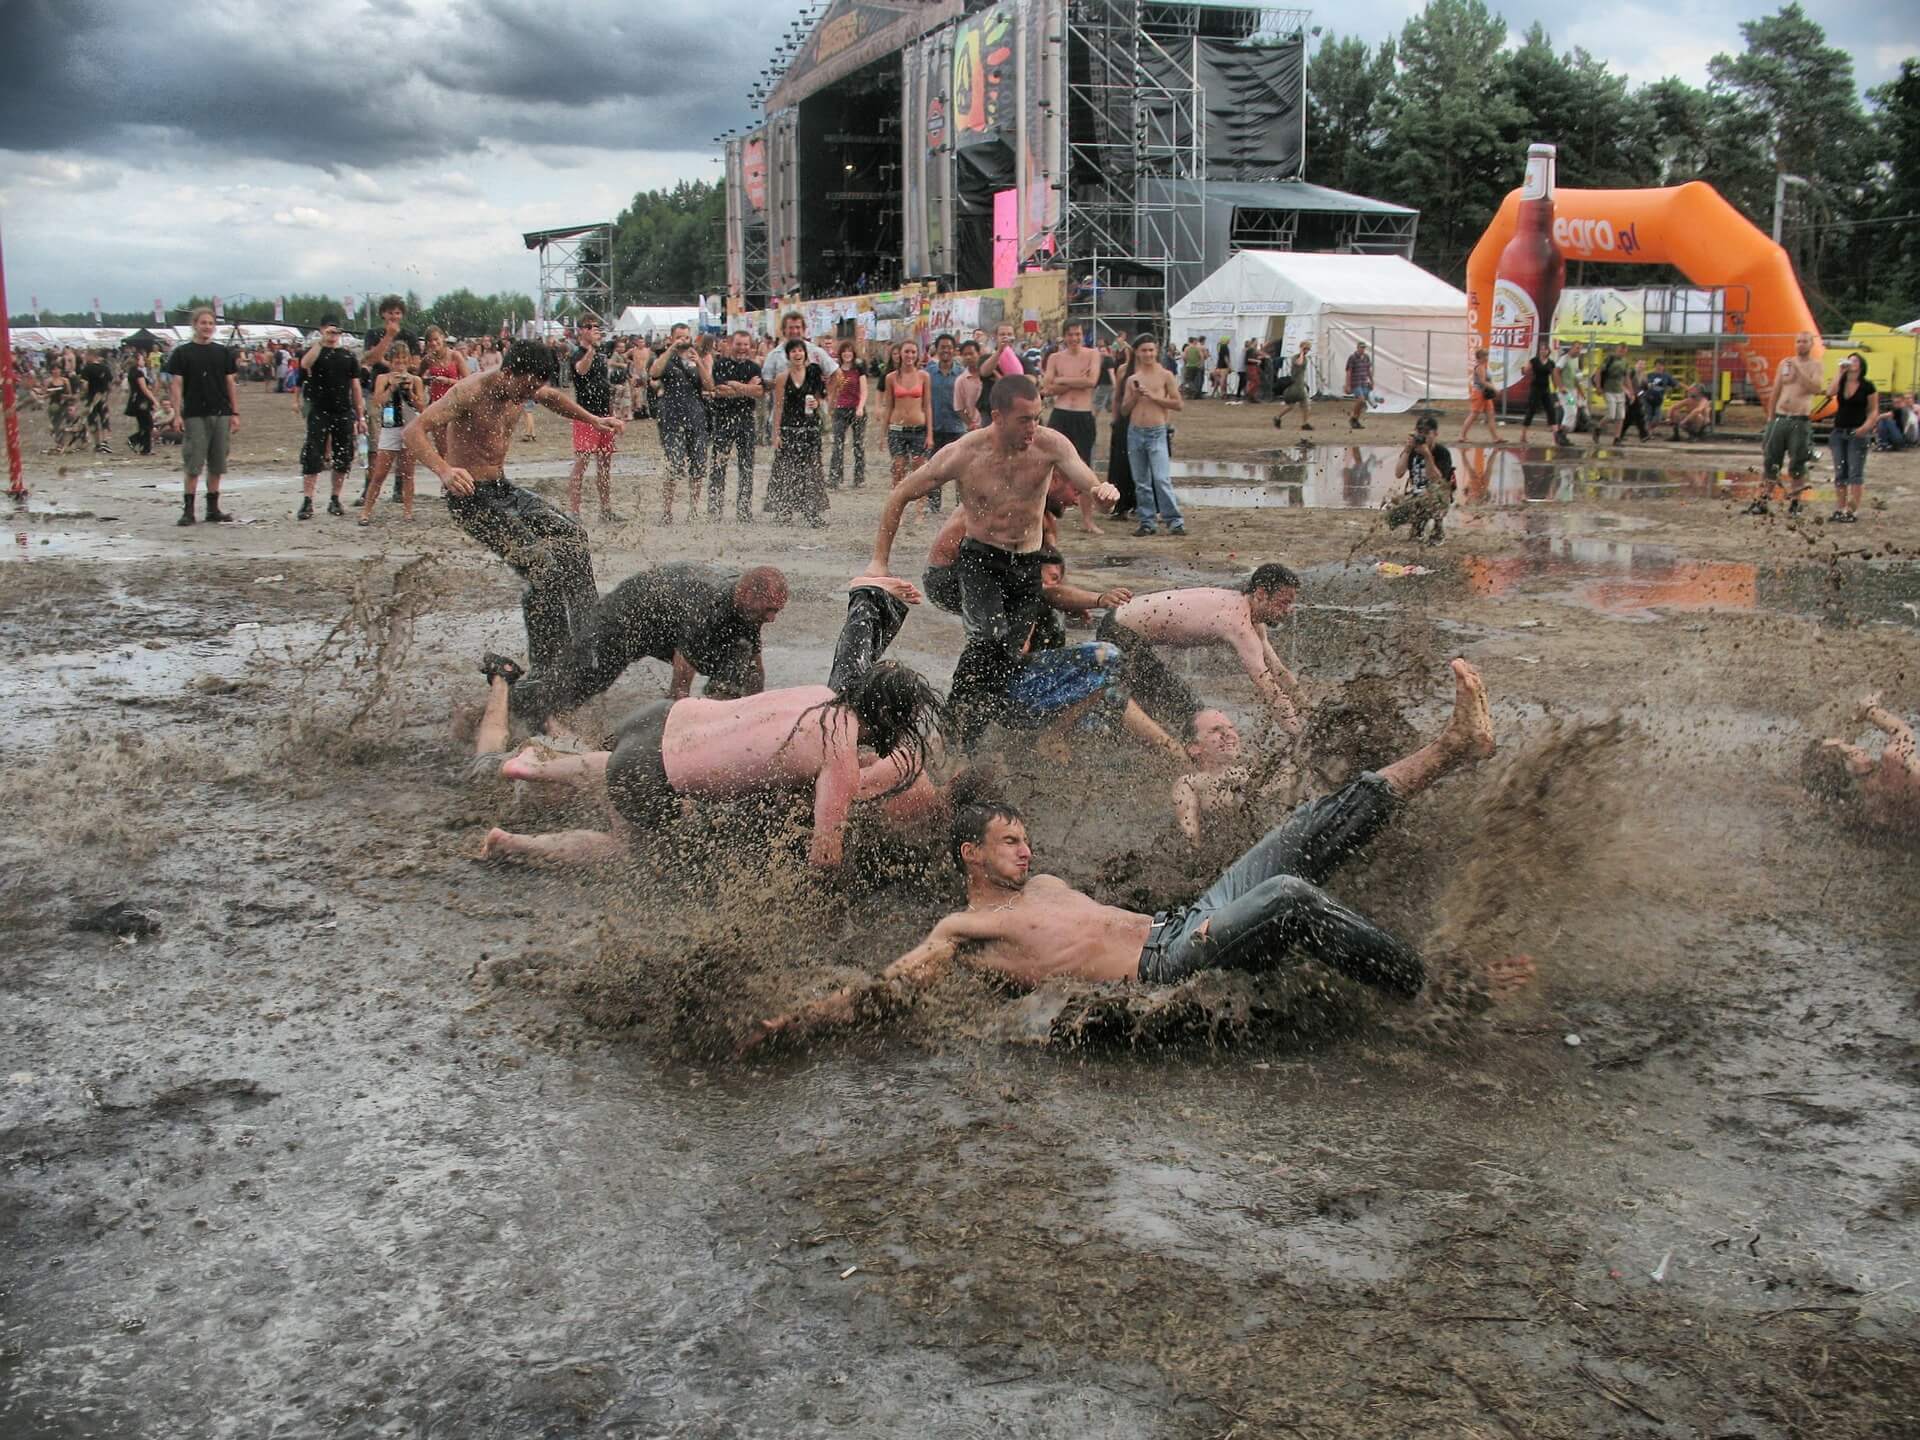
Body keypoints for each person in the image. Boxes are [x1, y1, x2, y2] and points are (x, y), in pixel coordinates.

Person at [744, 661, 1523, 1050]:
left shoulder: (1043, 882)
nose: (1026, 848)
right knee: (1288, 895)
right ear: (969, 855)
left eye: (1025, 836)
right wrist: (793, 1024)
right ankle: (1439, 986)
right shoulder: (961, 930)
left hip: (1190, 919)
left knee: (1308, 825)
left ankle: (1456, 748)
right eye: (1009, 841)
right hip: (1169, 965)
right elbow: (887, 990)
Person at [482, 635, 947, 872]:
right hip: (649, 772)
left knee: (641, 762)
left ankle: (531, 768)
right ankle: (514, 844)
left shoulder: (818, 693)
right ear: (890, 720)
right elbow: (824, 857)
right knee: (628, 851)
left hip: (658, 719)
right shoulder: (840, 754)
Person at [865, 372, 1120, 746]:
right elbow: (899, 495)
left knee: (1009, 659)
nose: (1033, 427)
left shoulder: (1050, 445)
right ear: (997, 416)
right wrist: (879, 563)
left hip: (1026, 565)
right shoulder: (965, 453)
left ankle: (986, 729)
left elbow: (1087, 480)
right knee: (986, 642)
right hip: (981, 560)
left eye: (1037, 416)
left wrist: (1103, 491)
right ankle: (954, 733)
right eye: (1024, 420)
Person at [404, 340, 620, 680]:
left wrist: (593, 419)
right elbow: (413, 431)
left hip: (504, 489)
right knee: (542, 566)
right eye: (528, 386)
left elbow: (552, 398)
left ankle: (586, 644)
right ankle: (550, 671)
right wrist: (444, 471)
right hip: (471, 498)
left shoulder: (523, 388)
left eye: (535, 386)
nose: (530, 394)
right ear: (509, 372)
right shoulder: (469, 392)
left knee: (574, 536)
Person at [508, 564, 787, 727]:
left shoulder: (748, 609)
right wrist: (680, 730)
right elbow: (679, 687)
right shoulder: (709, 606)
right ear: (748, 593)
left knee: (736, 663)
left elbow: (754, 667)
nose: (772, 619)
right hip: (624, 618)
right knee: (586, 678)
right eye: (769, 610)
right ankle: (517, 705)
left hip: (666, 623)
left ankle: (723, 721)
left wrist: (757, 714)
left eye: (777, 611)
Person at [1097, 565, 1306, 736]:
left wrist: (1309, 711)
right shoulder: (1238, 623)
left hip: (1128, 631)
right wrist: (1298, 735)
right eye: (1284, 603)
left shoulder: (1250, 616)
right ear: (1261, 593)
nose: (1289, 610)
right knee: (1180, 708)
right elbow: (1268, 686)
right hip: (1119, 633)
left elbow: (1279, 671)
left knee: (1177, 704)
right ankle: (1106, 734)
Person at [163, 307, 239, 526]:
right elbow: (176, 385)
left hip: (221, 412)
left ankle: (213, 508)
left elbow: (230, 383)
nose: (207, 327)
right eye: (203, 323)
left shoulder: (223, 353)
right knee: (194, 463)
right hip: (195, 413)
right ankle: (188, 510)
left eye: (211, 323)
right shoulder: (182, 353)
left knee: (217, 463)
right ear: (195, 325)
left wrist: (235, 411)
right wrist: (177, 414)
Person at [1808, 693, 1920, 833]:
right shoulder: (1894, 761)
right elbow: (1901, 730)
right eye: (1848, 746)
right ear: (1853, 757)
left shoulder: (1861, 810)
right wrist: (1869, 709)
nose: (1858, 747)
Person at [297, 317, 365, 520]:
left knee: (343, 456)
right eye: (330, 331)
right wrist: (320, 341)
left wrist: (359, 416)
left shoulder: (348, 356)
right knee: (312, 454)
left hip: (342, 411)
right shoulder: (315, 352)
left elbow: (355, 387)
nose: (333, 335)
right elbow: (305, 364)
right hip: (319, 411)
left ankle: (335, 498)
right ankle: (308, 500)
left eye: (336, 331)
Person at [1749, 332, 1824, 517]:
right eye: (1798, 341)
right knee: (1770, 461)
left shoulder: (1816, 365)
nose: (1800, 345)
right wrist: (1771, 416)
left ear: (1811, 344)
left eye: (1804, 341)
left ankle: (1796, 502)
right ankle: (1763, 500)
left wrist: (1799, 371)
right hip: (1781, 418)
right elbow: (1776, 390)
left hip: (1800, 419)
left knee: (1797, 463)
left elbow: (1816, 388)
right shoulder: (1785, 363)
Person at [1119, 336, 1185, 537]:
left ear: (1156, 351)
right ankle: (1147, 521)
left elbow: (1178, 404)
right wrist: (1135, 396)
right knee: (1141, 481)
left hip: (1157, 431)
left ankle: (1174, 520)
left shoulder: (1166, 375)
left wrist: (1154, 396)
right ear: (1137, 352)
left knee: (1161, 478)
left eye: (1151, 350)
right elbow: (1124, 410)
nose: (1148, 354)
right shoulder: (1132, 379)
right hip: (1135, 432)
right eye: (1144, 350)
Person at [650, 323, 711, 526]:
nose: (683, 341)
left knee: (698, 465)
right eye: (679, 337)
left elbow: (710, 385)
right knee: (673, 465)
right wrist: (670, 349)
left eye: (686, 337)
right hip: (671, 417)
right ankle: (667, 510)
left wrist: (700, 363)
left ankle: (693, 510)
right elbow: (654, 372)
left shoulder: (696, 358)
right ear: (671, 338)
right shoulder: (667, 358)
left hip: (696, 417)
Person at [358, 343, 425, 524]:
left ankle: (408, 511)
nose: (401, 364)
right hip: (390, 426)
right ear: (390, 362)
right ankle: (366, 511)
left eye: (404, 360)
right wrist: (392, 387)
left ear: (409, 361)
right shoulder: (382, 378)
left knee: (408, 472)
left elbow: (422, 407)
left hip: (410, 427)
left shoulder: (415, 380)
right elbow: (377, 402)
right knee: (379, 473)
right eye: (397, 361)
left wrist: (410, 391)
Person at [563, 316, 620, 524]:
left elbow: (603, 383)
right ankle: (574, 511)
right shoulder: (578, 353)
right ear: (581, 331)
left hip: (604, 414)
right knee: (582, 462)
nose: (595, 330)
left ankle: (606, 509)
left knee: (605, 465)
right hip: (586, 415)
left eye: (597, 327)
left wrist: (612, 415)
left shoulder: (601, 354)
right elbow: (581, 370)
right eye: (590, 327)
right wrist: (591, 349)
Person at [769, 338, 830, 527]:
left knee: (812, 471)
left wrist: (818, 403)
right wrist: (776, 434)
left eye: (800, 351)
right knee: (786, 470)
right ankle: (784, 511)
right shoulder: (782, 378)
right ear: (788, 356)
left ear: (805, 353)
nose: (797, 354)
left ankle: (812, 512)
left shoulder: (813, 372)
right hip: (789, 429)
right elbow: (778, 407)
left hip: (810, 428)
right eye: (793, 351)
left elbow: (821, 396)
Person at [708, 330, 765, 520]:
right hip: (723, 419)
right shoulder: (720, 364)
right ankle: (715, 510)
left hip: (746, 420)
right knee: (718, 464)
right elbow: (719, 391)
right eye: (739, 344)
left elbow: (759, 392)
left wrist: (735, 386)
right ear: (731, 344)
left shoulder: (754, 367)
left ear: (750, 346)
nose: (742, 348)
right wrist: (746, 388)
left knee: (746, 466)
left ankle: (744, 510)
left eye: (745, 345)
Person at [882, 339, 935, 519]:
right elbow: (888, 406)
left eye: (913, 352)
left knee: (920, 469)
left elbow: (927, 405)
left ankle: (920, 510)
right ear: (899, 354)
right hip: (896, 428)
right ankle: (898, 509)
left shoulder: (924, 376)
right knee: (898, 468)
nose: (910, 355)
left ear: (917, 354)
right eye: (906, 352)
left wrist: (930, 434)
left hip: (918, 428)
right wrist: (882, 434)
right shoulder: (891, 378)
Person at [1825, 353, 1878, 524]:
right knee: (1840, 472)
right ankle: (1840, 509)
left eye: (1855, 360)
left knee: (1855, 473)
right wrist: (1839, 373)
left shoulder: (1867, 386)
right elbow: (1829, 393)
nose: (1851, 362)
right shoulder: (1841, 382)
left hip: (1857, 431)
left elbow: (1873, 410)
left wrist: (1866, 426)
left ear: (1861, 365)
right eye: (1850, 359)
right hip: (1839, 431)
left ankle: (1852, 510)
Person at [1386, 413, 1455, 544]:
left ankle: (1437, 528)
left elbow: (1437, 480)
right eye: (1419, 432)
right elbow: (1399, 473)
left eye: (1426, 433)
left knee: (1430, 498)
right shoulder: (1412, 450)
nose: (1422, 436)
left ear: (1435, 434)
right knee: (1390, 512)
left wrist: (1427, 456)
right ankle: (1418, 525)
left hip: (1438, 497)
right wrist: (1406, 451)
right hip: (1416, 495)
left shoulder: (1442, 452)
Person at [826, 338, 868, 492]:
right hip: (840, 409)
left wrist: (860, 407)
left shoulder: (859, 368)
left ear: (853, 353)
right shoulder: (836, 369)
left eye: (849, 351)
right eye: (844, 351)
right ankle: (835, 477)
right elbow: (832, 390)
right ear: (841, 353)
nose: (847, 354)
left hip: (856, 410)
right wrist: (830, 407)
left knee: (858, 444)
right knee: (837, 444)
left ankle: (859, 477)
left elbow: (864, 390)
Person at [1106, 339, 1135, 517]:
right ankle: (1121, 504)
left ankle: (1139, 503)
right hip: (1124, 420)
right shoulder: (1123, 370)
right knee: (1121, 463)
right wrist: (1115, 418)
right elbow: (1117, 397)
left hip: (1142, 420)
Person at [1517, 338, 1558, 447]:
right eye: (1541, 349)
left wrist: (1556, 390)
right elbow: (1524, 372)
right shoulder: (1534, 361)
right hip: (1535, 389)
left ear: (1548, 351)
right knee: (1531, 411)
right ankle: (1523, 435)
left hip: (1545, 389)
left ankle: (1556, 437)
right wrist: (1525, 362)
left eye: (1545, 349)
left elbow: (1554, 377)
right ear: (1539, 351)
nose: (1543, 351)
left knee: (1551, 411)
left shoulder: (1551, 363)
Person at [1459, 346, 1503, 445]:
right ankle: (1462, 435)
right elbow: (1483, 382)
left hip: (1485, 394)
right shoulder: (1480, 367)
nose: (1486, 357)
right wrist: (1494, 389)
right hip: (1479, 393)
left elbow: (1488, 380)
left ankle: (1495, 437)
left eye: (1487, 355)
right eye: (1484, 356)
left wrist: (1492, 387)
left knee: (1490, 414)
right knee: (1474, 415)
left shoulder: (1484, 367)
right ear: (1480, 357)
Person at [1273, 339, 1314, 431]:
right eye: (1306, 348)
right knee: (1296, 405)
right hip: (1295, 387)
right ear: (1301, 348)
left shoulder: (1304, 359)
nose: (1307, 351)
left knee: (1303, 405)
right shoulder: (1295, 357)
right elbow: (1299, 363)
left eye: (1308, 349)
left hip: (1299, 385)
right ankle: (1304, 423)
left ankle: (1304, 423)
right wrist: (1301, 353)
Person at [78, 349, 114, 454]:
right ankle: (105, 442)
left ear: (91, 356)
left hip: (91, 398)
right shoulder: (106, 368)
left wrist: (83, 394)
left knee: (93, 421)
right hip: (102, 398)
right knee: (104, 421)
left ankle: (97, 444)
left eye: (86, 355)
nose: (84, 358)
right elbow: (110, 384)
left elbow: (85, 385)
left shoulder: (87, 369)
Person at [124, 355, 160, 455]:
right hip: (141, 401)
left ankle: (145, 448)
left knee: (143, 424)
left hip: (135, 400)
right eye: (142, 359)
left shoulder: (131, 372)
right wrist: (154, 400)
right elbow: (144, 389)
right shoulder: (138, 373)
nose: (144, 361)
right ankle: (134, 439)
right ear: (137, 361)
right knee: (148, 424)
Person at [1555, 341, 1589, 441]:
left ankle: (1563, 434)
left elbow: (1575, 379)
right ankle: (1560, 434)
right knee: (1571, 411)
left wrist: (1581, 392)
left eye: (1580, 348)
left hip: (1572, 391)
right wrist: (1561, 386)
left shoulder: (1576, 360)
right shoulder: (1564, 358)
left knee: (1572, 413)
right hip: (1566, 391)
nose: (1578, 350)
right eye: (1577, 348)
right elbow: (1556, 372)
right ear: (1572, 348)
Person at [1343, 341, 1373, 432]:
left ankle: (1355, 419)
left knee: (1361, 403)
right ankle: (1354, 418)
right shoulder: (1352, 358)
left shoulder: (1366, 357)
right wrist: (1347, 385)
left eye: (1364, 348)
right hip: (1355, 383)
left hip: (1364, 382)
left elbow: (1368, 370)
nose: (1362, 349)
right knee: (1361, 399)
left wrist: (1371, 380)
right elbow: (1349, 371)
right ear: (1357, 348)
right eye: (1361, 347)